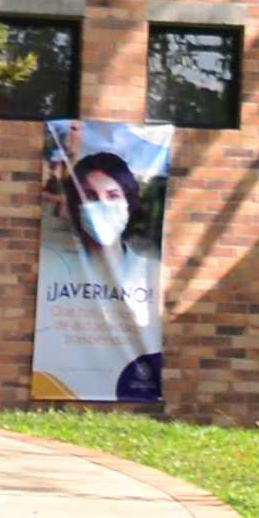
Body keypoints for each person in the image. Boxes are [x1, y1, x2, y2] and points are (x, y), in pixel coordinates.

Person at [34, 126, 168, 406]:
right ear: (76, 205)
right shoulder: (51, 268)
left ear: (129, 204)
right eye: (90, 197)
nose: (102, 204)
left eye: (113, 195)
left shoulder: (151, 272)